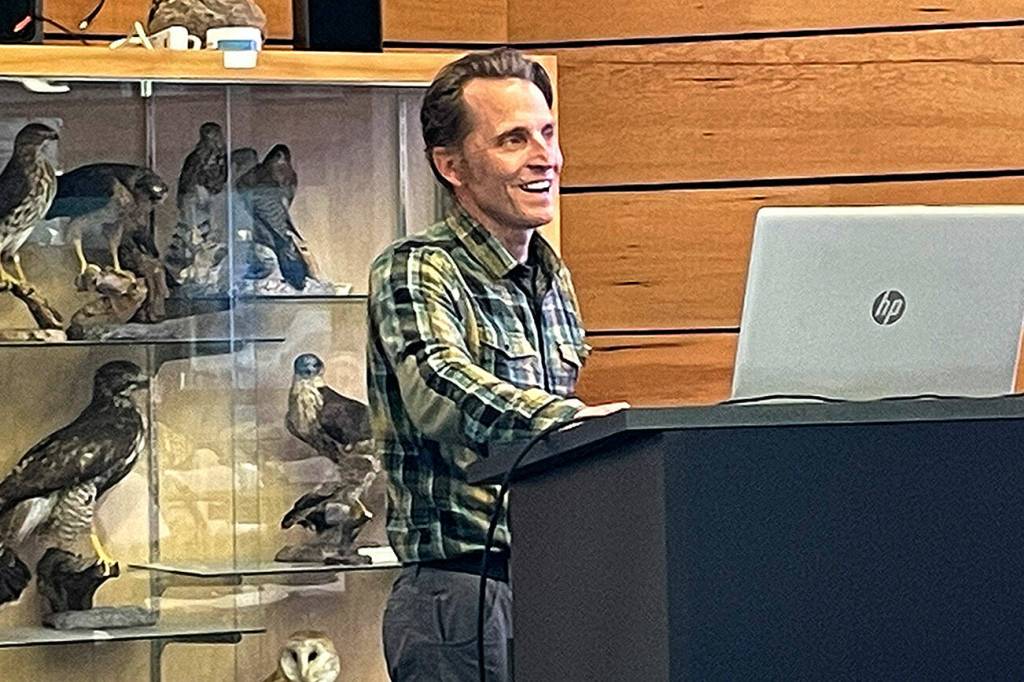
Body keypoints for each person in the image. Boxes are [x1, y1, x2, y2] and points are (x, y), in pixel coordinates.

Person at [367, 47, 629, 681]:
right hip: (462, 597)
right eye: (514, 139)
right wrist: (568, 420)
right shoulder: (416, 267)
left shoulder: (551, 274)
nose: (545, 157)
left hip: (555, 586)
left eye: (548, 133)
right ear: (451, 165)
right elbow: (440, 388)